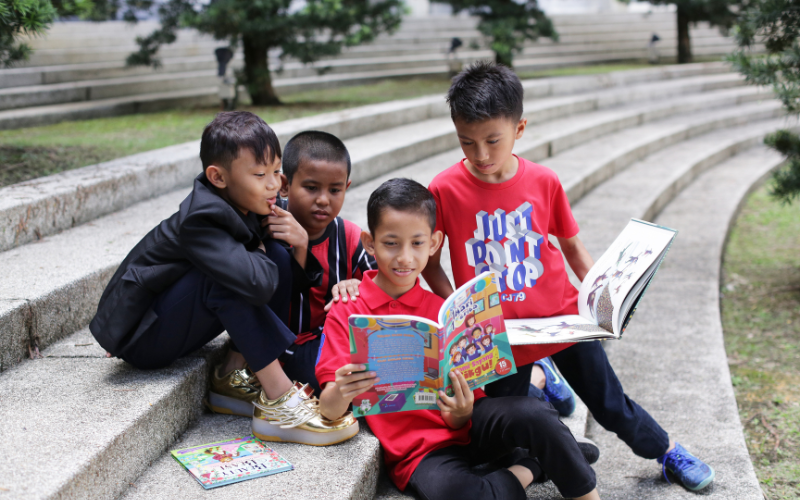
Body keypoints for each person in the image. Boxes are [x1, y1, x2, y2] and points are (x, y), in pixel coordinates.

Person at [421, 61, 715, 492]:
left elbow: (573, 248)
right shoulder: (444, 188)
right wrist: (458, 309)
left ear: (519, 129)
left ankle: (667, 451)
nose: (481, 155)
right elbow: (431, 260)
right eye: (467, 142)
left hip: (560, 318)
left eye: (492, 141)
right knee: (505, 434)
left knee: (610, 404)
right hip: (496, 334)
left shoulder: (544, 181)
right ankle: (544, 385)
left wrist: (605, 301)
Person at [316, 178, 601, 500]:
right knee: (462, 493)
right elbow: (328, 409)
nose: (405, 257)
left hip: (472, 426)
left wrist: (461, 412)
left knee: (535, 415)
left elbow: (470, 401)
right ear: (369, 242)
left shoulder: (441, 311)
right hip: (420, 451)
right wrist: (342, 389)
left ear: (435, 242)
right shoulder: (349, 311)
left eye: (417, 243)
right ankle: (533, 465)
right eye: (391, 243)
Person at [89, 111, 358, 447]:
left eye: (276, 171)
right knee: (230, 279)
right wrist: (261, 246)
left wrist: (292, 242)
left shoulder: (250, 201)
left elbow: (279, 278)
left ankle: (233, 370)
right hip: (144, 336)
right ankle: (280, 401)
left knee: (274, 255)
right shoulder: (202, 218)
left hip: (181, 316)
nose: (274, 184)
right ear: (218, 177)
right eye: (260, 174)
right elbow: (257, 284)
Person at [275, 130, 376, 394]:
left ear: (347, 188)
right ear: (284, 185)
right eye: (311, 188)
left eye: (334, 190)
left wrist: (358, 284)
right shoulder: (269, 231)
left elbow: (383, 284)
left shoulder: (350, 237)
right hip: (285, 349)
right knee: (330, 378)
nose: (323, 200)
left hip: (334, 340)